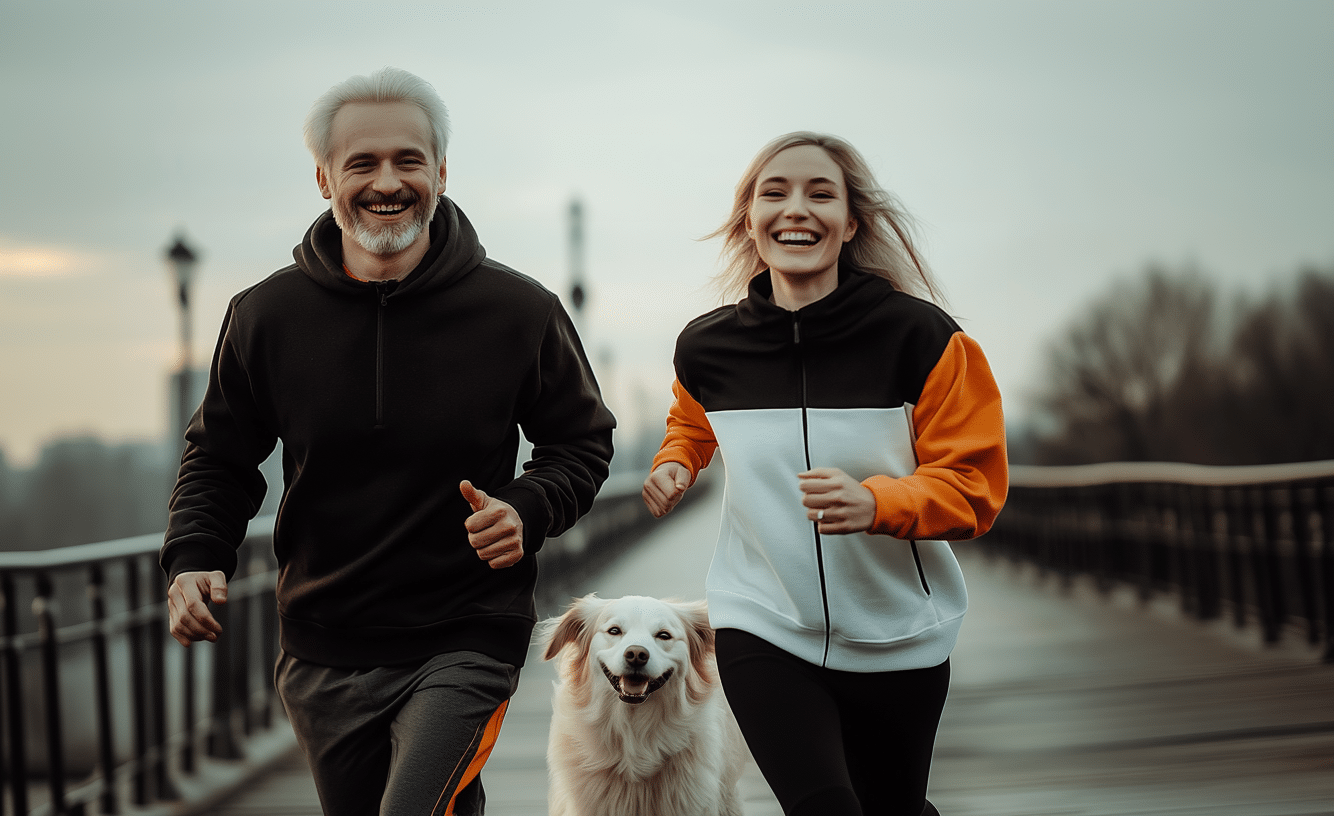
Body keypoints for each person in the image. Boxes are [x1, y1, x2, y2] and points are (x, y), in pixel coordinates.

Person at [161, 67, 615, 816]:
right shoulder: (265, 316)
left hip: (467, 632)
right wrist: (194, 556)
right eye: (362, 163)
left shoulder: (519, 310)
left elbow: (582, 443)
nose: (387, 182)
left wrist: (528, 508)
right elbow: (220, 456)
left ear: (440, 171)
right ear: (323, 178)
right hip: (323, 646)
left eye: (409, 160)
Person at [642, 132, 1007, 816]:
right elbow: (692, 422)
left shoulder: (926, 340)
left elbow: (975, 486)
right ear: (749, 221)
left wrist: (877, 503)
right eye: (773, 193)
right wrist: (675, 463)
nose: (795, 209)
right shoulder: (709, 347)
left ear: (851, 222)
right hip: (763, 619)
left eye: (820, 193)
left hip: (897, 631)